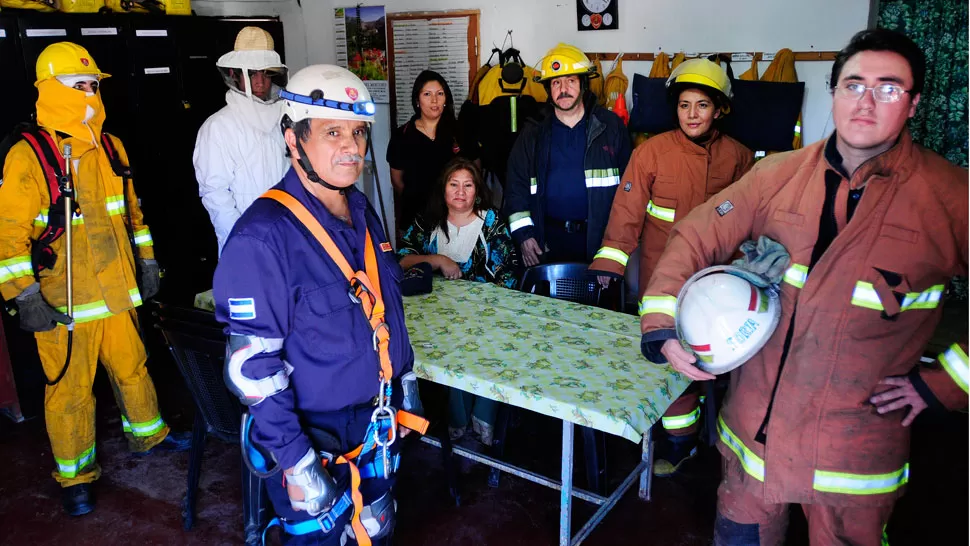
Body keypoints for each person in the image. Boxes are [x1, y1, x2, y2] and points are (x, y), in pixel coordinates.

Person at [638, 29, 967, 545]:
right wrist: (661, 322)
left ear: (914, 103)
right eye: (854, 85)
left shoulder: (949, 197)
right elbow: (698, 232)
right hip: (754, 437)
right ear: (834, 92)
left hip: (853, 452)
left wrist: (945, 382)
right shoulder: (779, 175)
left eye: (888, 88)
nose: (866, 102)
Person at [214, 64, 426, 545]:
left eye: (357, 132)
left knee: (376, 531)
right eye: (333, 132)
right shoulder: (262, 238)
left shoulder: (361, 210)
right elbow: (252, 369)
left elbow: (385, 304)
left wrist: (404, 378)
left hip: (375, 422)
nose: (352, 148)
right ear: (293, 139)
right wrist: (297, 462)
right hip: (313, 439)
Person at [0, 42, 189, 517]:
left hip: (117, 293)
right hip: (65, 301)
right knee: (69, 393)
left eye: (93, 85)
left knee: (134, 367)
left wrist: (146, 263)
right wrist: (23, 295)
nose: (90, 93)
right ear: (51, 90)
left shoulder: (110, 146)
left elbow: (132, 214)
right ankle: (75, 476)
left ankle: (150, 436)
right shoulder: (30, 155)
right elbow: (8, 236)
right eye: (79, 85)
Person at [589, 58, 754, 477]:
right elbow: (625, 214)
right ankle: (680, 443)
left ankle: (724, 434)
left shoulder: (740, 158)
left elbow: (754, 219)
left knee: (721, 355)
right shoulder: (651, 153)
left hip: (721, 284)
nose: (692, 114)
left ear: (719, 109)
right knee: (670, 358)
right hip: (663, 284)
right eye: (684, 105)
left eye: (701, 105)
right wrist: (608, 267)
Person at [397, 156, 518, 446]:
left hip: (486, 314)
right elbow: (400, 259)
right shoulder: (428, 221)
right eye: (454, 184)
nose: (460, 192)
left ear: (478, 190)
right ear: (443, 188)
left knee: (487, 347)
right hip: (439, 315)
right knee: (444, 347)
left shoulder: (492, 222)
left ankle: (484, 418)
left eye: (468, 185)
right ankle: (458, 422)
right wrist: (438, 259)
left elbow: (508, 277)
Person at [504, 43, 632, 266]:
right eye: (556, 82)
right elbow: (515, 188)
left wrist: (615, 246)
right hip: (547, 244)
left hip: (600, 243)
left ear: (583, 84)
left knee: (597, 302)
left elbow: (631, 190)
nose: (563, 89)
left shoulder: (610, 127)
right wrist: (524, 235)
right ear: (548, 90)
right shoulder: (533, 133)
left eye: (570, 81)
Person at [193, 26, 290, 255]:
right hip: (245, 241)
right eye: (252, 73)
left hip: (287, 232)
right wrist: (243, 239)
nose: (260, 82)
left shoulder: (286, 116)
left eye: (266, 73)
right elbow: (215, 193)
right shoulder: (218, 127)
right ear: (235, 74)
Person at [388, 70, 471, 234]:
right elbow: (397, 181)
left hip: (455, 220)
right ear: (417, 100)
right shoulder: (402, 135)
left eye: (440, 94)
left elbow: (474, 173)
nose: (434, 100)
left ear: (446, 99)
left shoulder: (460, 132)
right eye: (427, 94)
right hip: (414, 218)